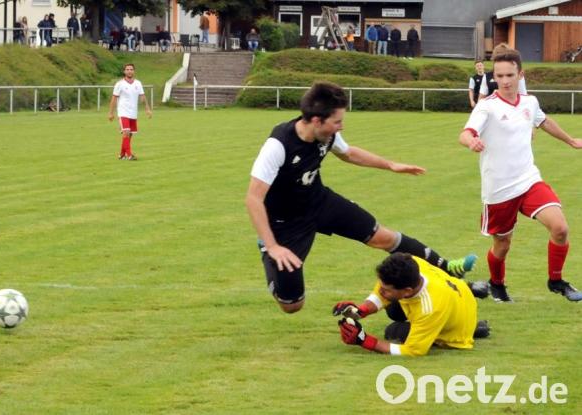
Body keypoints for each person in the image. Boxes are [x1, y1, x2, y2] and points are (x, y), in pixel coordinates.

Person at [246, 82, 477, 314]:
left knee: (384, 237)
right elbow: (253, 199)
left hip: (319, 202)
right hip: (285, 222)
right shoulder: (278, 145)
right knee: (292, 305)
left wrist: (391, 165)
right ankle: (267, 249)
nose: (341, 127)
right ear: (317, 120)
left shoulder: (327, 135)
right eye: (337, 122)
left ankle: (447, 269)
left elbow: (348, 153)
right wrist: (274, 246)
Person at [459, 45, 582, 303]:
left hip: (528, 180)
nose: (504, 81)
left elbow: (544, 121)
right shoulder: (487, 107)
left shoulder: (530, 101)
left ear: (520, 75)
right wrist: (471, 141)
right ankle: (496, 284)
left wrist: (570, 140)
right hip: (499, 188)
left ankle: (556, 280)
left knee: (560, 228)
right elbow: (466, 132)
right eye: (499, 76)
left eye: (509, 75)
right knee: (502, 246)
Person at [334, 253, 488, 356]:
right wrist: (361, 310)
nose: (380, 290)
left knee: (393, 331)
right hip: (459, 295)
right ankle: (471, 291)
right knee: (393, 310)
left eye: (385, 289)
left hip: (454, 323)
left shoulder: (430, 308)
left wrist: (364, 340)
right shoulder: (412, 264)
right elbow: (383, 288)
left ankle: (471, 329)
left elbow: (412, 351)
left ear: (407, 291)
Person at [107, 63, 152, 161]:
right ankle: (129, 155)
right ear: (124, 71)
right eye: (127, 69)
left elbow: (143, 97)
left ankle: (122, 154)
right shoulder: (120, 84)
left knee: (129, 134)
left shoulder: (138, 83)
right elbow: (114, 98)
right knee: (126, 132)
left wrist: (147, 109)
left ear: (134, 71)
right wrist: (111, 113)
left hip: (133, 113)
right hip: (123, 112)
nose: (129, 71)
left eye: (131, 69)